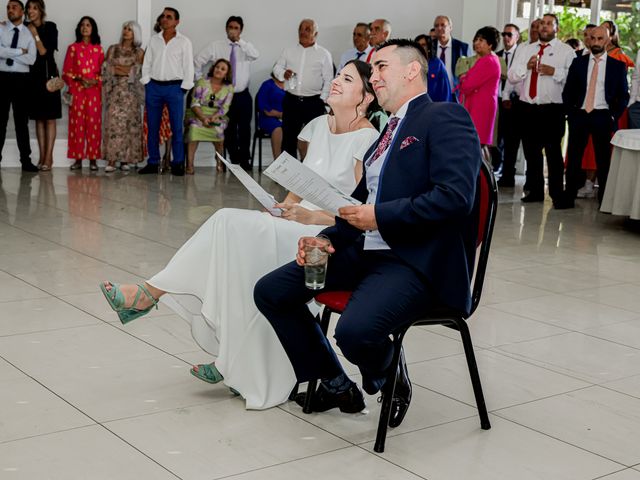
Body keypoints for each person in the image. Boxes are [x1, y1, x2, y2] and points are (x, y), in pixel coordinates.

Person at [99, 60, 381, 410]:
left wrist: (309, 215)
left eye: (347, 79)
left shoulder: (368, 139)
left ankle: (150, 294)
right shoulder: (317, 127)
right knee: (235, 253)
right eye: (338, 75)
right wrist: (281, 206)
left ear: (366, 97)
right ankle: (230, 358)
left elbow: (355, 213)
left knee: (225, 222)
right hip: (294, 221)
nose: (336, 81)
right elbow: (300, 186)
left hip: (323, 234)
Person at [254, 39, 482, 425]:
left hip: (412, 259)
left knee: (355, 333)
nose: (373, 77)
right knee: (271, 292)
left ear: (411, 71)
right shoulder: (386, 133)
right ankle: (334, 381)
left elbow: (455, 197)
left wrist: (380, 216)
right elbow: (357, 207)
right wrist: (326, 239)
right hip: (364, 249)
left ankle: (389, 371)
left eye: (380, 68)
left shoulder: (444, 117)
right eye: (371, 70)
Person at [508, 13, 575, 207]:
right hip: (527, 108)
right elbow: (512, 76)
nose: (544, 27)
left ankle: (556, 194)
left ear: (557, 28)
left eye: (548, 24)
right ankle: (535, 191)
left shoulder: (566, 51)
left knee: (553, 154)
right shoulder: (525, 49)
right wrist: (526, 68)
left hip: (552, 110)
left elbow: (573, 79)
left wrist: (555, 72)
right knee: (531, 152)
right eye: (541, 24)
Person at [562, 25, 629, 207]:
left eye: (600, 39)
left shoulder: (618, 66)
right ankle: (568, 198)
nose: (596, 42)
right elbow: (568, 91)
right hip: (580, 115)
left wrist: (613, 116)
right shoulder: (578, 63)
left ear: (608, 40)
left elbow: (623, 96)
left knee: (603, 160)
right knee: (574, 158)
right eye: (593, 38)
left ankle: (604, 202)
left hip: (603, 116)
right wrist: (572, 113)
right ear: (588, 40)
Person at [194, 16, 258, 170]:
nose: (232, 30)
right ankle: (234, 160)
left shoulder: (245, 48)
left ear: (240, 30)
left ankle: (245, 160)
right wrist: (203, 83)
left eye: (236, 27)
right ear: (226, 28)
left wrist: (239, 41)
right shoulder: (216, 46)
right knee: (228, 129)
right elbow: (197, 61)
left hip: (242, 94)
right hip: (223, 96)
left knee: (244, 128)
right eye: (230, 27)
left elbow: (255, 55)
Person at [139, 7, 193, 176]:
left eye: (169, 17)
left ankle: (177, 163)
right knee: (153, 127)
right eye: (163, 16)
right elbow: (146, 63)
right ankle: (153, 162)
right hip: (154, 87)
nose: (164, 19)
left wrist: (184, 88)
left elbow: (188, 66)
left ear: (177, 21)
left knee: (177, 128)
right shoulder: (154, 40)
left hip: (175, 88)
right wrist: (147, 82)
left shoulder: (184, 41)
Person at [273, 18, 333, 159]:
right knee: (288, 139)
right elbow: (277, 68)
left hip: (314, 102)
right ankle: (288, 175)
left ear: (315, 34)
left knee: (315, 140)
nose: (303, 31)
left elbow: (329, 79)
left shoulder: (324, 54)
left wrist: (322, 100)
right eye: (301, 28)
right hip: (291, 100)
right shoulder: (288, 51)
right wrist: (283, 73)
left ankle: (314, 174)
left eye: (308, 29)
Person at [0, 0, 37, 172]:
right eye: (8, 7)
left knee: (21, 122)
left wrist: (8, 52)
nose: (10, 10)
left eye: (14, 7)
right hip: (2, 79)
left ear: (22, 11)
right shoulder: (0, 28)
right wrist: (20, 51)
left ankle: (26, 161)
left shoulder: (29, 33)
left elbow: (31, 59)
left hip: (22, 80)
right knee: (0, 121)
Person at [62, 16, 104, 171]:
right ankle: (78, 159)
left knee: (93, 125)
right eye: (82, 25)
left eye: (88, 25)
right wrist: (79, 78)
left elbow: (103, 73)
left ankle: (93, 160)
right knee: (77, 125)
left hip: (94, 92)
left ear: (93, 29)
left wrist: (94, 81)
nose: (84, 28)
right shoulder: (73, 48)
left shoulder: (99, 49)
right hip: (77, 92)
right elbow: (66, 72)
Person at [102, 21, 144, 172]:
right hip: (115, 92)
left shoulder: (139, 52)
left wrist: (123, 69)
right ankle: (112, 160)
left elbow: (139, 72)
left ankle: (126, 160)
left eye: (130, 30)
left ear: (135, 33)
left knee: (128, 125)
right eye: (125, 28)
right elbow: (107, 69)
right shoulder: (113, 49)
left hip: (131, 94)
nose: (126, 31)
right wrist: (124, 70)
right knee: (113, 125)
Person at [25, 0, 60, 172]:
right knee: (39, 118)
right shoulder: (24, 26)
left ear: (41, 10)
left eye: (34, 8)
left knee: (50, 118)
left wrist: (34, 34)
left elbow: (44, 52)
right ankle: (42, 156)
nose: (30, 11)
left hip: (49, 77)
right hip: (33, 78)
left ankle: (49, 157)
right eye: (28, 8)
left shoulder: (51, 27)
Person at [185, 58, 234, 174]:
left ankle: (219, 161)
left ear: (226, 74)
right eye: (217, 67)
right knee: (193, 129)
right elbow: (194, 103)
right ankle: (190, 164)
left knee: (219, 130)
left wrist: (213, 117)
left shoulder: (229, 87)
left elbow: (225, 107)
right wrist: (203, 118)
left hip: (217, 116)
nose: (219, 70)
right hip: (198, 113)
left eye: (223, 69)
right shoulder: (202, 82)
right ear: (213, 68)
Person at [458, 27, 501, 146]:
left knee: (473, 146)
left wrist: (462, 77)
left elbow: (466, 85)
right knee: (476, 147)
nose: (476, 43)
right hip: (480, 107)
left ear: (490, 44)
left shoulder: (488, 61)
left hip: (479, 109)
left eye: (481, 40)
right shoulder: (490, 59)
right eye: (476, 39)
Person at [497, 23, 523, 187]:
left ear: (517, 37)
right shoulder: (496, 55)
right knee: (497, 138)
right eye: (504, 34)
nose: (506, 37)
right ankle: (496, 169)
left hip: (514, 103)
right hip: (497, 101)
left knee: (512, 140)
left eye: (509, 34)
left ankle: (508, 174)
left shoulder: (520, 55)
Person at [433, 15, 469, 97]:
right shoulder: (430, 46)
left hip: (455, 94)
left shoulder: (462, 47)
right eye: (436, 26)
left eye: (443, 25)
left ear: (450, 27)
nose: (439, 28)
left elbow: (469, 73)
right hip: (433, 94)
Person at [414, 34, 451, 102]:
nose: (420, 47)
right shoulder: (412, 64)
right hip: (416, 106)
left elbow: (445, 90)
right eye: (417, 45)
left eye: (423, 45)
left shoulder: (438, 64)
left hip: (435, 106)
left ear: (428, 47)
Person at [256, 73, 285, 159]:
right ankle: (278, 162)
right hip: (269, 118)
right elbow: (266, 110)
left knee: (301, 128)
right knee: (278, 129)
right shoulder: (267, 85)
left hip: (288, 118)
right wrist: (281, 115)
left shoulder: (291, 85)